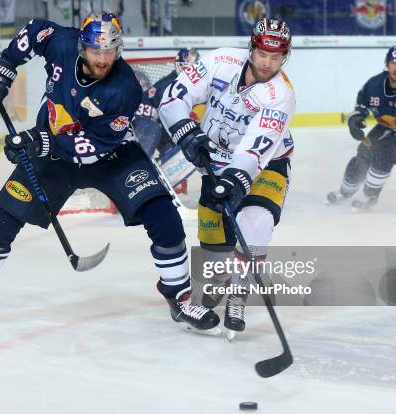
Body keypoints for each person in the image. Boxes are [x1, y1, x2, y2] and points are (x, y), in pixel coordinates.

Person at [0, 12, 219, 334]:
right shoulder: (63, 43)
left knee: (163, 216)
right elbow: (36, 29)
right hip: (54, 156)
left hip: (113, 155)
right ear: (82, 47)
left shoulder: (124, 89)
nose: (103, 58)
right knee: (1, 218)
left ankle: (178, 295)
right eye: (97, 51)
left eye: (110, 51)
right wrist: (6, 64)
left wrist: (37, 141)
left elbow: (93, 144)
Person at [159, 18, 295, 340]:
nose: (268, 63)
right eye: (263, 54)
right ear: (252, 48)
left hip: (267, 164)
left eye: (276, 57)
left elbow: (253, 151)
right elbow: (173, 98)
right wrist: (185, 131)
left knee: (256, 222)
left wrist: (235, 179)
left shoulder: (281, 95)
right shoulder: (221, 60)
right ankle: (220, 280)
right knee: (215, 251)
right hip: (214, 162)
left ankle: (238, 296)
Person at [327, 46, 396, 209]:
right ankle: (345, 191)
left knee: (384, 151)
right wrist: (355, 120)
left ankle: (370, 196)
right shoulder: (373, 85)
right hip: (385, 127)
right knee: (363, 153)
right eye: (393, 63)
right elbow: (361, 105)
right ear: (387, 64)